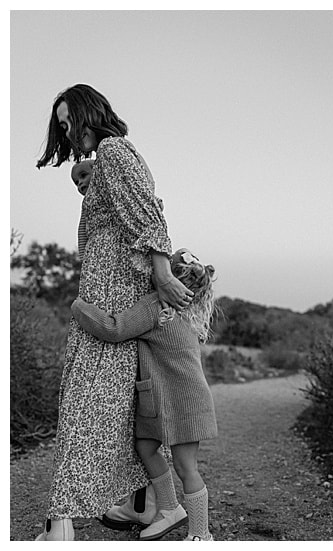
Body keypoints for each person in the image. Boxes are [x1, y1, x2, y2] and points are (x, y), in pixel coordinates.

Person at [34, 83, 194, 541]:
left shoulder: (114, 150)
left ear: (90, 113)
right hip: (111, 295)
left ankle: (60, 525)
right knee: (120, 408)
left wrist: (163, 275)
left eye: (69, 122)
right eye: (61, 128)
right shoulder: (108, 158)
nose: (66, 134)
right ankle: (144, 503)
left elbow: (149, 217)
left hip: (109, 300)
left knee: (81, 407)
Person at [72, 249, 219, 541]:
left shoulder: (156, 306)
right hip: (164, 400)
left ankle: (201, 535)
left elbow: (114, 328)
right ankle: (168, 509)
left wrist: (79, 306)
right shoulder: (180, 311)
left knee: (186, 467)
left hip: (185, 403)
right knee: (145, 446)